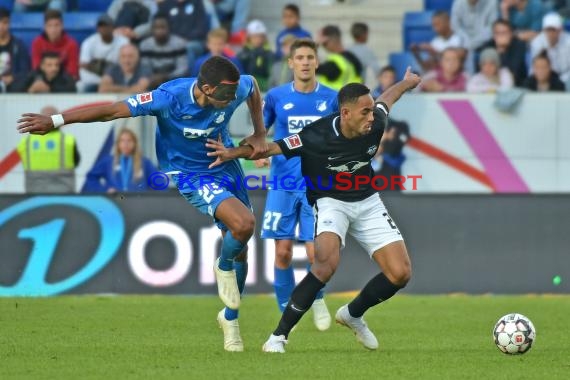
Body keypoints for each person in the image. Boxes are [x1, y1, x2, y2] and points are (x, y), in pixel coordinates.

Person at [17, 56, 268, 352]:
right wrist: (57, 120)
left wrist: (260, 132)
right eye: (225, 96)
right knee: (244, 224)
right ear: (208, 89)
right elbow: (111, 112)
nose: (230, 101)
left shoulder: (235, 88)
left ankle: (230, 319)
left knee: (240, 243)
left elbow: (252, 89)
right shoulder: (167, 99)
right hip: (189, 173)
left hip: (224, 163)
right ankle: (222, 266)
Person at [205, 67, 421, 353]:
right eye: (365, 112)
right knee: (324, 265)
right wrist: (232, 152)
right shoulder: (315, 136)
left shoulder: (377, 121)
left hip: (368, 201)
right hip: (331, 202)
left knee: (400, 273)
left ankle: (353, 314)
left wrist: (407, 83)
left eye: (372, 111)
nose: (372, 117)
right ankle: (278, 337)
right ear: (345, 114)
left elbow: (387, 98)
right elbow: (271, 148)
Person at [259, 38, 338, 331]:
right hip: (282, 183)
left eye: (310, 57)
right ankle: (285, 317)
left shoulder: (331, 98)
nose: (305, 62)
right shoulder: (277, 96)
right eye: (300, 58)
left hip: (316, 185)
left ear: (316, 62)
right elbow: (260, 131)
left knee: (315, 253)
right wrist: (260, 152)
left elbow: (339, 135)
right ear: (291, 63)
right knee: (282, 253)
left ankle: (317, 298)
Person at [17, 105, 80, 194]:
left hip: (34, 192)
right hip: (63, 191)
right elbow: (76, 161)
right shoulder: (67, 140)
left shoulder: (26, 142)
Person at [83, 128, 158, 193]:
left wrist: (149, 196)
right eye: (122, 141)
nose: (126, 144)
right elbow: (91, 177)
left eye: (129, 140)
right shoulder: (109, 161)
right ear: (118, 144)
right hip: (115, 202)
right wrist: (104, 190)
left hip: (138, 203)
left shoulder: (144, 163)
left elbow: (158, 182)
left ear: (135, 143)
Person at [78, 14, 129, 93]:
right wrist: (102, 81)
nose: (103, 28)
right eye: (101, 26)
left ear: (112, 27)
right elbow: (83, 65)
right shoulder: (89, 42)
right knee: (83, 87)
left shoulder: (123, 41)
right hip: (94, 81)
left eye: (106, 26)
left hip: (117, 80)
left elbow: (126, 65)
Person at [140, 13, 188, 89]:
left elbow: (182, 69)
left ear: (169, 28)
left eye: (163, 27)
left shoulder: (179, 43)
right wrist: (153, 78)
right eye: (156, 27)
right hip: (152, 81)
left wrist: (166, 77)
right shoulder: (145, 45)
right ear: (152, 29)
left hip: (173, 81)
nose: (159, 31)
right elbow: (145, 68)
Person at [31, 9, 79, 80]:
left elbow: (72, 71)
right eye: (49, 26)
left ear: (62, 26)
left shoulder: (71, 44)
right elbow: (36, 67)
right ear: (45, 27)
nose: (53, 30)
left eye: (57, 25)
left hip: (64, 82)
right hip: (43, 80)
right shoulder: (37, 43)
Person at [479, 19, 528, 87]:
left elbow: (514, 71)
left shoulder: (519, 46)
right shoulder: (487, 47)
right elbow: (483, 71)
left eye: (504, 33)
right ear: (493, 35)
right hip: (489, 85)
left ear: (511, 34)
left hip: (516, 85)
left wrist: (502, 51)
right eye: (498, 33)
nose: (501, 36)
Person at [316, 24, 363, 90]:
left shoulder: (334, 63)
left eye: (324, 44)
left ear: (328, 40)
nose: (324, 47)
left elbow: (311, 68)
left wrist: (316, 45)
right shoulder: (352, 58)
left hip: (333, 99)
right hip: (351, 98)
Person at [530, 12, 570, 83]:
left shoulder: (568, 42)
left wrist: (561, 80)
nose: (551, 33)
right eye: (548, 30)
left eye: (554, 30)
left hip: (567, 77)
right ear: (544, 30)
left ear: (560, 30)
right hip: (545, 79)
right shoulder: (537, 43)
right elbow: (534, 67)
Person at [9, 51, 76, 93]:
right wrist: (29, 90)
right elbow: (13, 88)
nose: (54, 68)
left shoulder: (64, 76)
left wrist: (50, 89)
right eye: (49, 65)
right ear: (42, 66)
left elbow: (72, 89)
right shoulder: (32, 75)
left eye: (57, 65)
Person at [0, 7, 31, 93]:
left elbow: (25, 70)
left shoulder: (19, 45)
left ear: (9, 23)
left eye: (5, 22)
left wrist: (13, 77)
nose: (1, 26)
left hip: (13, 85)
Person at [237, 20, 273, 92]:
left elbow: (271, 75)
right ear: (249, 37)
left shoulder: (269, 54)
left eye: (260, 36)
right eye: (255, 36)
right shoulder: (242, 55)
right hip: (245, 91)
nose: (258, 39)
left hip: (264, 90)